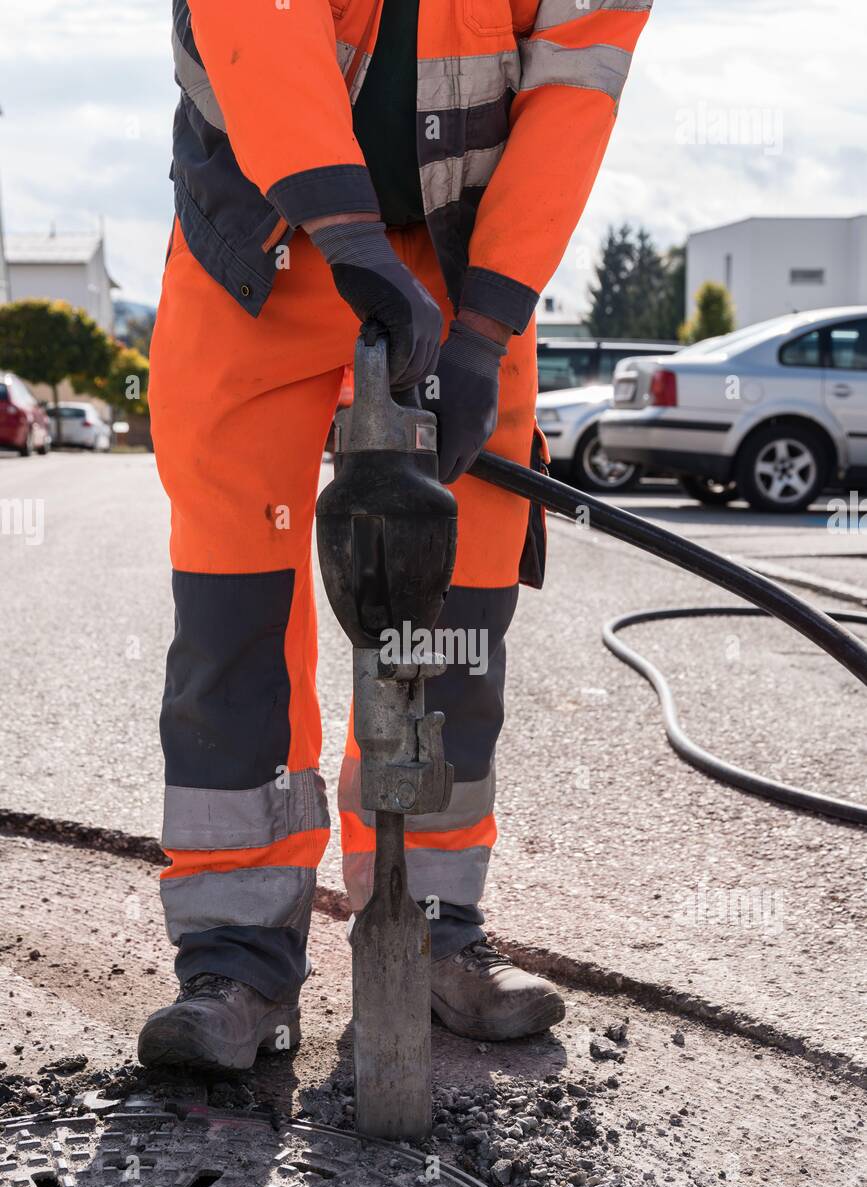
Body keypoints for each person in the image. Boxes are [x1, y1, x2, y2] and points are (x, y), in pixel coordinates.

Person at [138, 0, 654, 1069]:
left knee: (458, 595)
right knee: (239, 589)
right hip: (266, 229)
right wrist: (343, 228)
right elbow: (261, 27)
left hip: (457, 254)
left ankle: (428, 920)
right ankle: (237, 952)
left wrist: (485, 324)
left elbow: (571, 92)